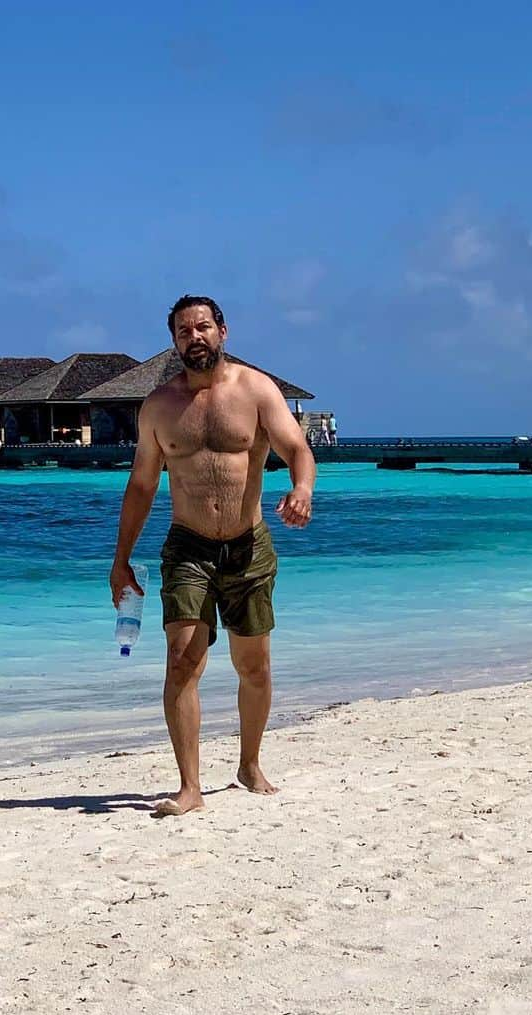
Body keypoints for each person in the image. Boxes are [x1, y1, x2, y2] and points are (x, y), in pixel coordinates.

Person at [109, 295, 316, 816]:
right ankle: (190, 788)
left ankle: (249, 765)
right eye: (183, 331)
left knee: (255, 668)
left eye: (202, 327)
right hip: (188, 548)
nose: (193, 337)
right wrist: (121, 560)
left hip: (248, 547)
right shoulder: (159, 406)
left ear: (223, 331)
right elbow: (140, 486)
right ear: (174, 341)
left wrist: (302, 488)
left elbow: (297, 448)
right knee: (181, 661)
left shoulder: (256, 390)